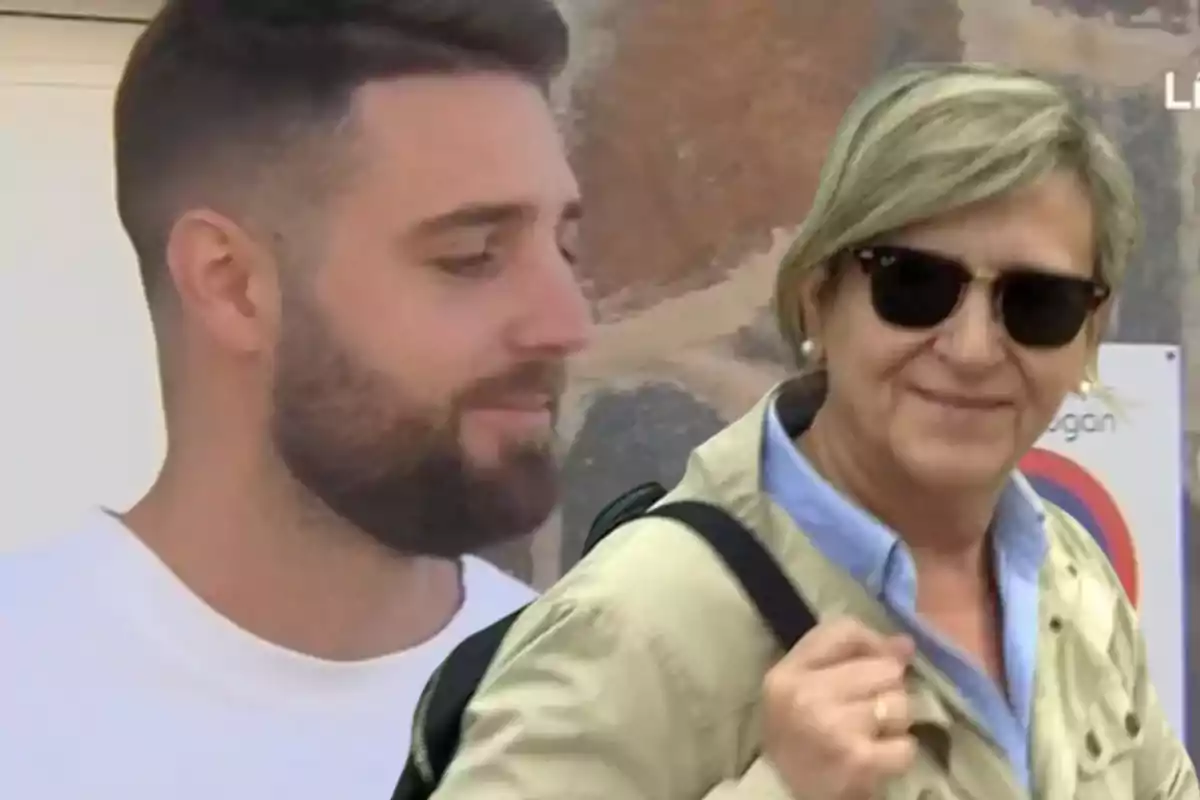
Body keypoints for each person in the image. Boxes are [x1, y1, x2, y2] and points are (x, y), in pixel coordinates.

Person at [419, 63, 1198, 799]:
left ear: (1089, 337)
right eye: (913, 285)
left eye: (1037, 304)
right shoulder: (641, 619)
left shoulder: (1069, 575)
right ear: (820, 297)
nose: (971, 350)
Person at [0, 0, 590, 797]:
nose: (567, 324)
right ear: (233, 286)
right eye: (472, 256)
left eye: (566, 248)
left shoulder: (597, 703)